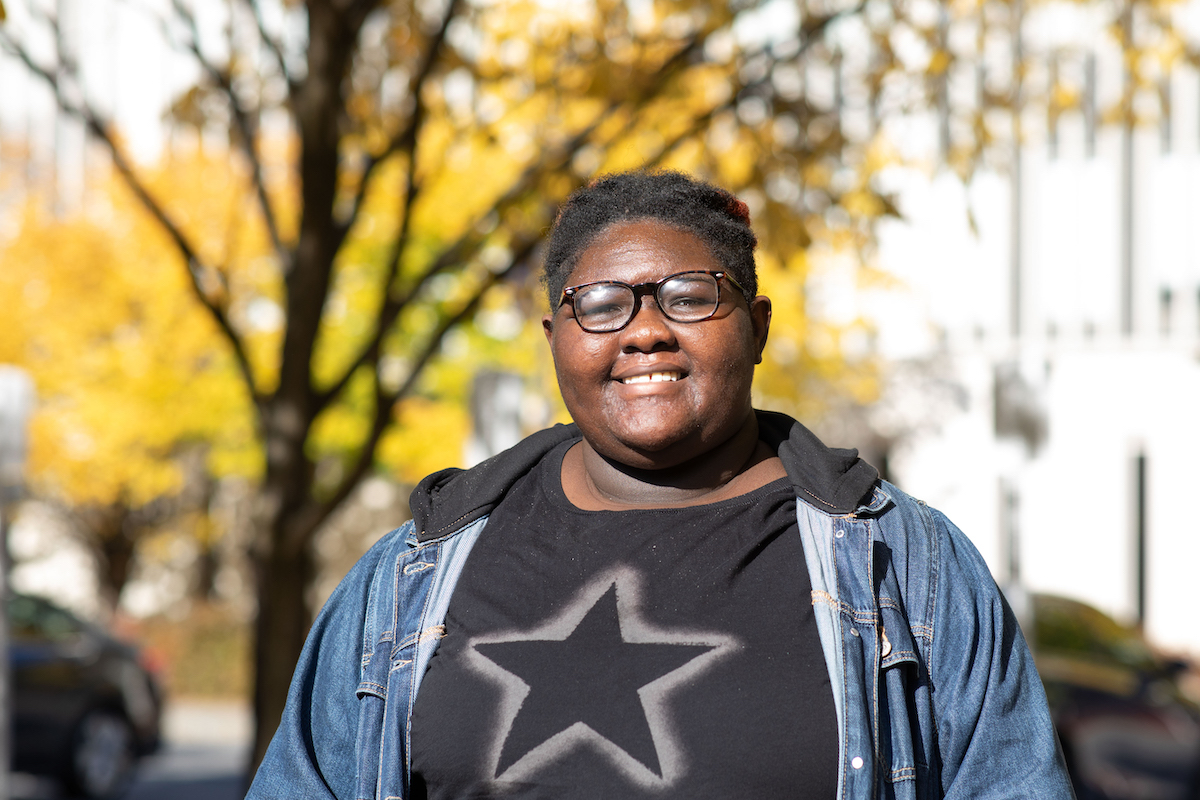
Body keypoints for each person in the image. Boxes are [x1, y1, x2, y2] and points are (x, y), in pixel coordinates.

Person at [246, 171, 1074, 799]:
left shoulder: (905, 566)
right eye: (600, 304)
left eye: (688, 296)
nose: (644, 329)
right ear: (555, 339)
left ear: (756, 327)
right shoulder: (409, 577)